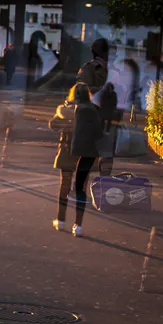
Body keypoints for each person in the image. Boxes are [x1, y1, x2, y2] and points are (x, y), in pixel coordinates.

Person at [48, 83, 103, 236]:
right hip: (85, 153)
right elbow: (99, 133)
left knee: (64, 186)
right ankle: (78, 226)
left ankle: (60, 221)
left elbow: (53, 124)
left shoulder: (66, 110)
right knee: (81, 189)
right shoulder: (93, 110)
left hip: (67, 151)